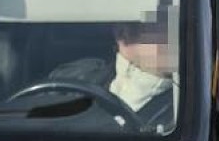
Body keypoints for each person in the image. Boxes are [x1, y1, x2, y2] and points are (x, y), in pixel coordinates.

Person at [48, 18, 177, 129]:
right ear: (123, 34)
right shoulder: (72, 77)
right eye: (165, 27)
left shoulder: (188, 106)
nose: (179, 38)